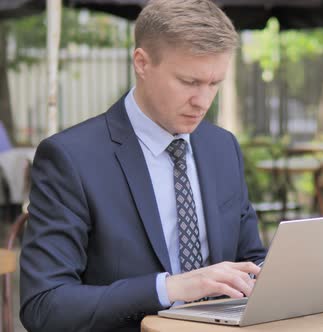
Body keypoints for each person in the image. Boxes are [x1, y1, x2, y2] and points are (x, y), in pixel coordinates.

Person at [19, 1, 267, 331]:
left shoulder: (222, 147)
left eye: (214, 84)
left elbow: (250, 259)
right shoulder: (71, 159)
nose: (204, 101)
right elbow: (44, 306)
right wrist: (169, 288)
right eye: (189, 82)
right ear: (142, 63)